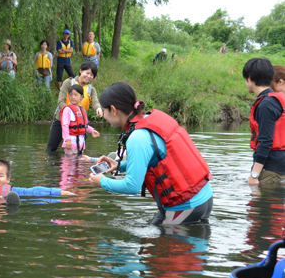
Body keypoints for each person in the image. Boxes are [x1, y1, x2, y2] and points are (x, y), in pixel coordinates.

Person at [89, 82, 213, 225]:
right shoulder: (151, 118)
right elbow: (155, 159)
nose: (104, 115)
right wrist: (119, 166)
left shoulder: (137, 138)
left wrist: (102, 182)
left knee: (158, 245)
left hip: (186, 205)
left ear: (113, 109)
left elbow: (132, 186)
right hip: (204, 195)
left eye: (104, 111)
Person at [243, 58, 285, 185]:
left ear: (250, 78)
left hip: (271, 167)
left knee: (259, 203)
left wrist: (254, 175)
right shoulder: (278, 99)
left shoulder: (266, 104)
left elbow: (266, 141)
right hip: (280, 164)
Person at [47, 61, 102, 152]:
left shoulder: (91, 89)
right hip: (61, 121)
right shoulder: (68, 83)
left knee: (77, 151)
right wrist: (71, 112)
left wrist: (98, 108)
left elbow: (95, 101)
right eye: (87, 73)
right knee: (51, 150)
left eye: (92, 75)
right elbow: (60, 101)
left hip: (78, 124)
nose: (89, 76)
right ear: (80, 70)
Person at [61, 85, 100, 155]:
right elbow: (65, 125)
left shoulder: (81, 109)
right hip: (71, 142)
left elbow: (82, 125)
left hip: (81, 143)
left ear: (81, 97)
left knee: (79, 163)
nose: (73, 97)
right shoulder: (67, 109)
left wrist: (92, 131)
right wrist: (67, 139)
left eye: (76, 95)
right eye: (71, 94)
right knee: (69, 163)